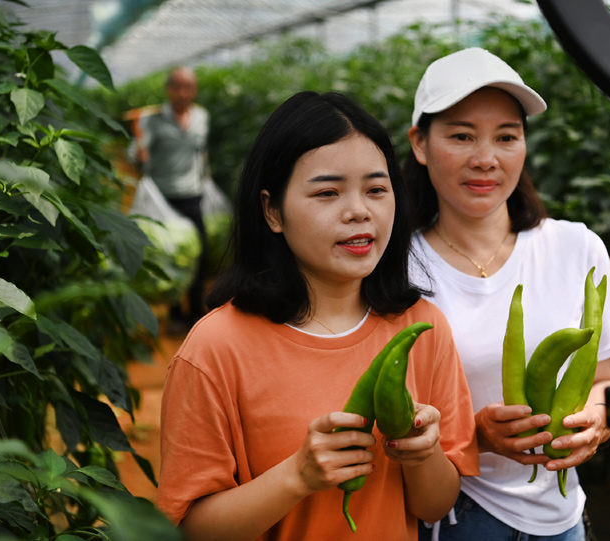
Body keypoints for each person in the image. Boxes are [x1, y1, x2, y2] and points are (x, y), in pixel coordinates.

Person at [156, 91, 479, 541]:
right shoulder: (216, 348)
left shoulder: (421, 328)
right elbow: (192, 529)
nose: (359, 211)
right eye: (327, 192)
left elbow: (434, 505)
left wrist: (423, 456)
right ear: (272, 211)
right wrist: (298, 477)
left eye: (376, 189)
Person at [404, 48, 610, 540]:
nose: (486, 159)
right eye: (461, 136)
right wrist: (474, 435)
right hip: (455, 516)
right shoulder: (398, 269)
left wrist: (597, 420)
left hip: (563, 519)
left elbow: (607, 377)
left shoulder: (576, 248)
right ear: (420, 143)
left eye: (507, 136)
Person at [131, 66, 210, 330]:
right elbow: (135, 154)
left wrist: (204, 173)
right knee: (171, 256)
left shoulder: (202, 117)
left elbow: (201, 151)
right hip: (164, 199)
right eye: (178, 87)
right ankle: (176, 313)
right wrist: (139, 156)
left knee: (198, 255)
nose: (183, 93)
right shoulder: (151, 120)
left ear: (194, 90)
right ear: (168, 89)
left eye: (188, 87)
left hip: (192, 196)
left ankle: (196, 312)